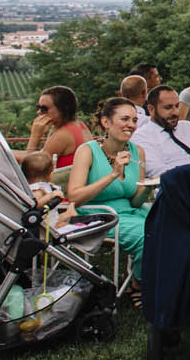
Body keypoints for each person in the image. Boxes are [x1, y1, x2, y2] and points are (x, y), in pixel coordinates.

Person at [66, 96, 153, 290]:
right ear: (106, 122)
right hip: (99, 216)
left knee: (174, 225)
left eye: (134, 120)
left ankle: (172, 278)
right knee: (147, 235)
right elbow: (75, 197)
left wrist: (147, 186)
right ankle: (140, 282)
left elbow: (136, 202)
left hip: (132, 212)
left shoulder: (137, 151)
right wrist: (113, 174)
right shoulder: (87, 151)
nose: (131, 125)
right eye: (124, 119)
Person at [131, 85, 190, 178]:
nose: (175, 113)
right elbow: (160, 172)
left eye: (177, 106)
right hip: (179, 185)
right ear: (151, 109)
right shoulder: (141, 137)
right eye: (168, 107)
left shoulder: (188, 127)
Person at [20, 85, 88, 182]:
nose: (39, 112)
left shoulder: (62, 135)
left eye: (44, 109)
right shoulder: (79, 125)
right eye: (38, 107)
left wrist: (35, 136)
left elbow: (31, 168)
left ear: (62, 110)